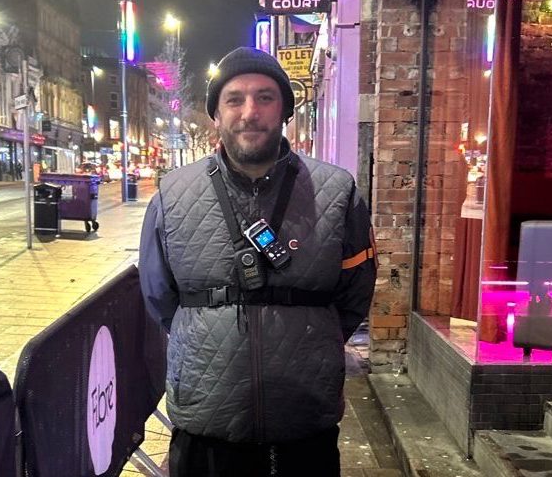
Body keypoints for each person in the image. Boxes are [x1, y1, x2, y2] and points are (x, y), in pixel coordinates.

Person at [140, 46, 377, 477]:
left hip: (303, 419)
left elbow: (355, 293)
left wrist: (314, 339)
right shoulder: (172, 195)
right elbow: (160, 296)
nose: (250, 112)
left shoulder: (338, 192)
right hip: (207, 420)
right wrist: (206, 334)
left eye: (265, 97)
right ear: (216, 114)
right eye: (234, 99)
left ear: (285, 109)